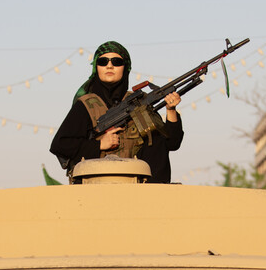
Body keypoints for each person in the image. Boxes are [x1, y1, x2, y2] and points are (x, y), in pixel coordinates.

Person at [50, 40, 183, 183]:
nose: (109, 66)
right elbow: (60, 145)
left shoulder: (138, 103)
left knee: (155, 141)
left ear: (125, 68)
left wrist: (171, 110)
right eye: (103, 62)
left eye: (116, 62)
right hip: (94, 185)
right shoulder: (86, 105)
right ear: (96, 68)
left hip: (137, 186)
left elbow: (171, 143)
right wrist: (99, 145)